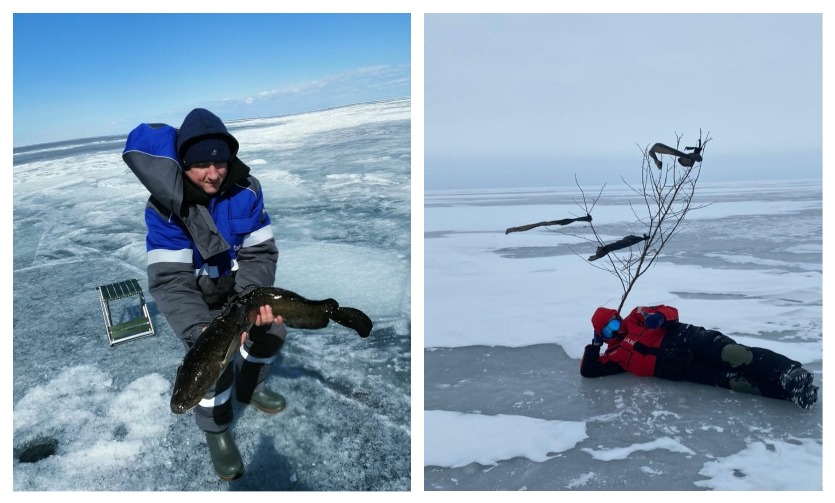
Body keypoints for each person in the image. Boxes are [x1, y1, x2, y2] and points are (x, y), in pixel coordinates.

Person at [123, 108, 287, 480]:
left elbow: (259, 252)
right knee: (209, 368)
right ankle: (218, 431)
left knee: (273, 332)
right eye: (200, 164)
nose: (213, 174)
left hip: (241, 295)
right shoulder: (164, 210)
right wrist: (201, 332)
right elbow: (171, 281)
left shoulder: (248, 191)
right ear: (183, 163)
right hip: (199, 303)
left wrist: (249, 302)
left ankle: (251, 384)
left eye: (221, 162)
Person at [580, 305, 818, 409]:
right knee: (736, 382)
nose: (616, 329)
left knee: (734, 354)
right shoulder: (615, 356)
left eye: (614, 322)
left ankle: (790, 373)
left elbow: (670, 311)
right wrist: (594, 346)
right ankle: (791, 394)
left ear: (618, 316)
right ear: (603, 335)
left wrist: (660, 318)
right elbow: (589, 371)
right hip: (681, 369)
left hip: (689, 339)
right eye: (608, 330)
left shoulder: (635, 316)